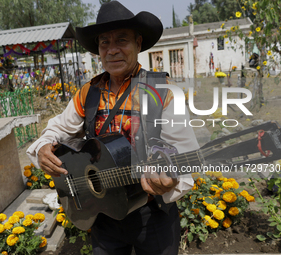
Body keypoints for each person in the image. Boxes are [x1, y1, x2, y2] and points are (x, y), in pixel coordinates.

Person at [27, 1, 199, 254]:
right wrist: (43, 147)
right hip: (102, 214)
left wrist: (171, 181)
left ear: (138, 44)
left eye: (122, 40)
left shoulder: (161, 91)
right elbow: (56, 130)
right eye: (104, 42)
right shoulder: (89, 92)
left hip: (151, 218)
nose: (112, 50)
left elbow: (186, 157)